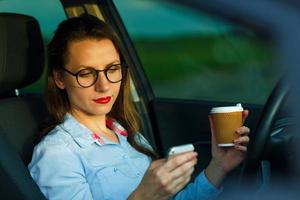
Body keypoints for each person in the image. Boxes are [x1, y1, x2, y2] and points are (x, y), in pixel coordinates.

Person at [28, 15, 250, 200]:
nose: (104, 85)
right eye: (86, 73)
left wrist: (219, 166)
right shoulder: (57, 154)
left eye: (112, 69)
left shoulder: (127, 135)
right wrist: (142, 196)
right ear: (59, 78)